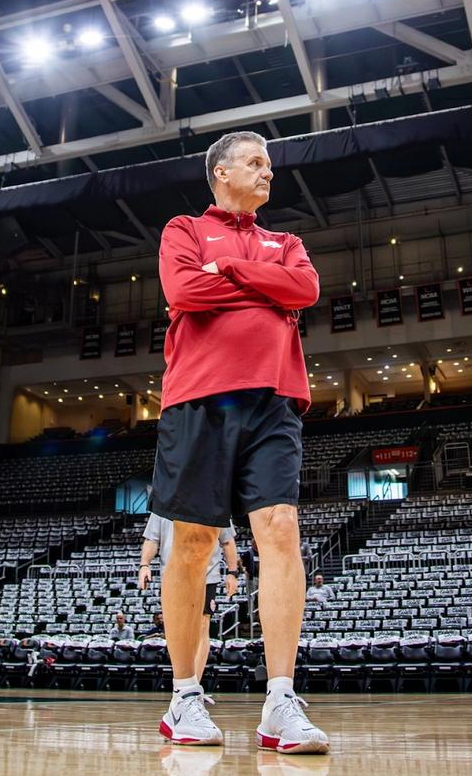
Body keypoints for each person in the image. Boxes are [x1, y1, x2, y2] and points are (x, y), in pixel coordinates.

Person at [150, 131, 328, 754]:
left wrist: (230, 269)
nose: (268, 173)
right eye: (256, 163)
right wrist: (266, 283)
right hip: (199, 398)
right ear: (220, 173)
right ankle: (185, 697)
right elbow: (184, 293)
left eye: (270, 165)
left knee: (280, 528)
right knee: (195, 540)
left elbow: (304, 291)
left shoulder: (290, 243)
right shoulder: (184, 231)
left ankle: (280, 701)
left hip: (276, 398)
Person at [139, 512, 238, 681]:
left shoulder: (216, 497)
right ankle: (182, 683)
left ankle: (193, 686)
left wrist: (232, 572)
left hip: (207, 574)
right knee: (176, 630)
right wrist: (144, 565)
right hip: (172, 574)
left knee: (202, 625)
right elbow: (152, 539)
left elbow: (227, 541)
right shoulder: (164, 498)